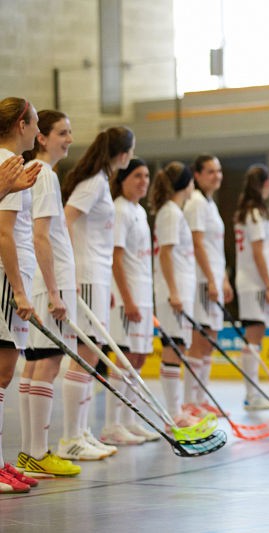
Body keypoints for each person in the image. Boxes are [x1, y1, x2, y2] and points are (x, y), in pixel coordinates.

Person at [59, 126, 135, 462]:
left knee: (93, 357)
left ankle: (82, 432)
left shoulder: (102, 181)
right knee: (86, 355)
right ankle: (70, 438)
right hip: (86, 275)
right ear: (123, 153)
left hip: (100, 278)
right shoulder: (94, 184)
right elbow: (65, 220)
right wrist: (69, 269)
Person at [18, 110, 82, 478]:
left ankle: (31, 452)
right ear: (41, 137)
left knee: (36, 363)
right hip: (47, 284)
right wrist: (55, 291)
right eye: (62, 132)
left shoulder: (45, 175)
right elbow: (40, 237)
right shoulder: (44, 176)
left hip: (45, 283)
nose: (69, 139)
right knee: (47, 363)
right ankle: (37, 452)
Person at [0, 97, 42, 493]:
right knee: (1, 371)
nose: (38, 131)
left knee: (4, 373)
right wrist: (18, 290)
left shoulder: (12, 163)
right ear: (19, 123)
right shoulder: (7, 164)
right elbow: (4, 233)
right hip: (5, 284)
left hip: (15, 281)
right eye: (35, 123)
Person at [102, 158, 159, 445]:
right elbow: (116, 259)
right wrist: (128, 299)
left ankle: (129, 420)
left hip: (143, 294)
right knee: (123, 358)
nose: (143, 181)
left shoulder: (138, 211)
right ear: (123, 179)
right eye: (137, 175)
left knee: (138, 357)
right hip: (128, 298)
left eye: (147, 175)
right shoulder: (120, 210)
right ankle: (112, 424)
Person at [182, 154, 232, 418]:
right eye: (210, 171)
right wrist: (212, 280)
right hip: (201, 281)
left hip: (213, 279)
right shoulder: (196, 203)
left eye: (219, 170)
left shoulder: (210, 204)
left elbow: (215, 248)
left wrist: (223, 278)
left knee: (210, 340)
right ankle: (190, 401)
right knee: (199, 341)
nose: (217, 176)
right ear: (197, 175)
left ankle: (200, 400)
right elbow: (197, 243)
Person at [150, 161, 198, 428]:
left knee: (178, 347)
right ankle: (172, 414)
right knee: (172, 347)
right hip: (174, 291)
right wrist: (173, 292)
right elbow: (165, 254)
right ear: (187, 184)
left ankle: (175, 410)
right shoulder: (170, 212)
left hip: (181, 288)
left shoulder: (174, 212)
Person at [233, 164, 269, 410]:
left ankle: (254, 392)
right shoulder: (254, 214)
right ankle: (252, 395)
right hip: (255, 282)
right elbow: (259, 253)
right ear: (265, 184)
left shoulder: (248, 211)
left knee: (255, 336)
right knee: (253, 335)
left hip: (251, 281)